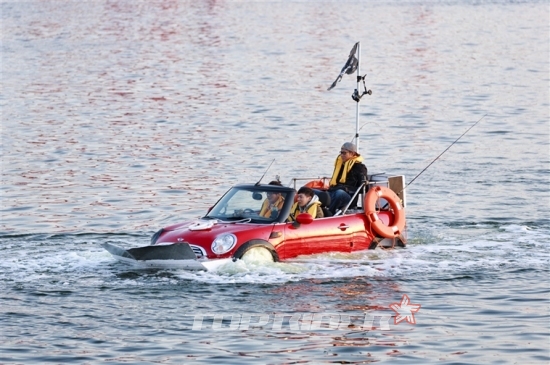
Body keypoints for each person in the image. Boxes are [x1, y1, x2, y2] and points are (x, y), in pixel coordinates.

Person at [326, 142, 367, 214]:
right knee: (314, 191)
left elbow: (364, 188)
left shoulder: (360, 168)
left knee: (340, 193)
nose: (341, 155)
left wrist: (346, 188)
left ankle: (329, 214)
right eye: (341, 153)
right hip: (335, 191)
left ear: (352, 154)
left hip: (349, 198)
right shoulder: (340, 166)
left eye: (344, 153)